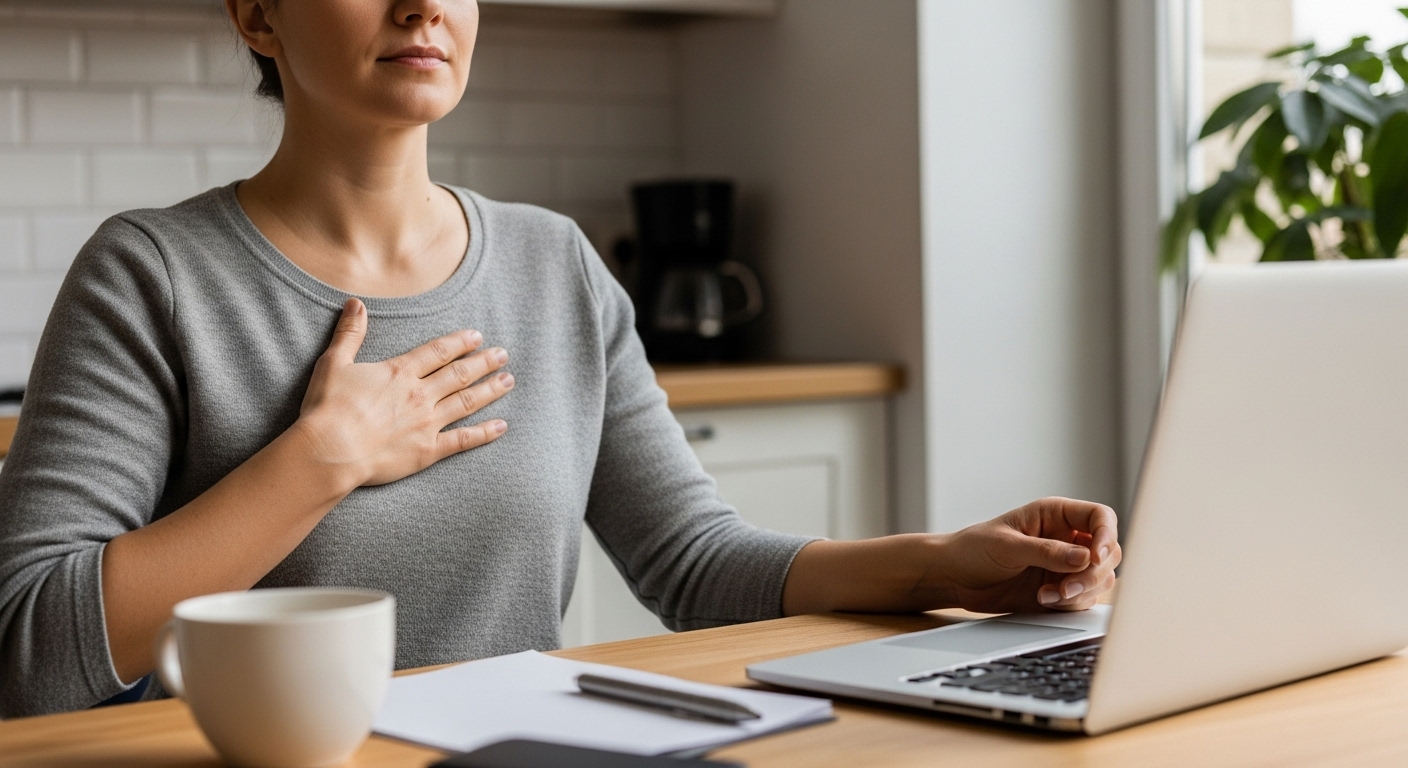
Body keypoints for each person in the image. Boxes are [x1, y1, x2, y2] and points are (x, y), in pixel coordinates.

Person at [0, 0, 1121, 718]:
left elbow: (693, 561)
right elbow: (35, 652)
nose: (421, 6)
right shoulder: (152, 272)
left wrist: (944, 565)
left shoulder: (554, 263)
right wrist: (320, 461)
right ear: (257, 14)